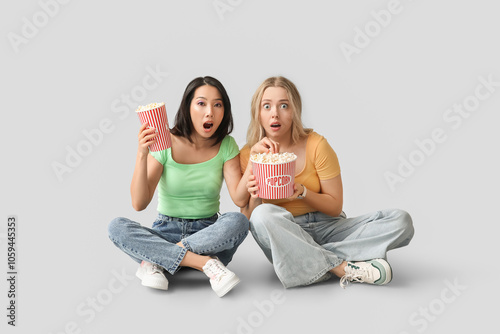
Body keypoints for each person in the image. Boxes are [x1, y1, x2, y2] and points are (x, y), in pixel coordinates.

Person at [240, 76, 415, 289]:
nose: (275, 113)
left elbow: (334, 207)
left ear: (294, 110)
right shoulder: (250, 154)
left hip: (328, 226)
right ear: (257, 113)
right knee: (261, 215)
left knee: (400, 221)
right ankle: (342, 268)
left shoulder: (317, 145)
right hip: (285, 232)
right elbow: (249, 222)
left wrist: (302, 192)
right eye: (266, 106)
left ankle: (305, 261)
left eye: (283, 105)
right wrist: (256, 189)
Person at [108, 76, 250, 297]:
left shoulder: (227, 145)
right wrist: (141, 153)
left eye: (217, 104)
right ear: (187, 107)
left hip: (208, 234)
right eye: (201, 103)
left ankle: (158, 259)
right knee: (116, 226)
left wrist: (256, 165)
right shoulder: (166, 142)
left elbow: (240, 200)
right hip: (165, 230)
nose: (210, 112)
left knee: (239, 221)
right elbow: (139, 203)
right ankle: (205, 265)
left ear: (225, 110)